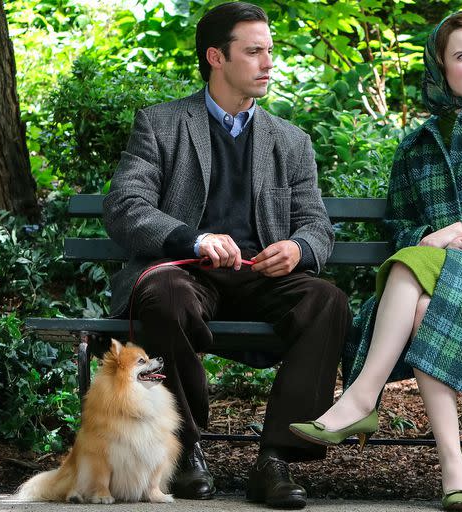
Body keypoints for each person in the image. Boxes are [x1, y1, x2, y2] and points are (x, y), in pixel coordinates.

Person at [289, 11, 462, 511]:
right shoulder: (415, 146)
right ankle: (453, 471)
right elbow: (397, 224)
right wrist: (429, 240)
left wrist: (457, 232)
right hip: (436, 276)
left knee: (408, 265)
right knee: (420, 304)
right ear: (439, 66)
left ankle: (360, 399)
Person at [103, 2, 350, 509]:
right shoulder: (161, 124)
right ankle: (185, 448)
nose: (267, 63)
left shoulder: (291, 141)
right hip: (188, 272)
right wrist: (193, 240)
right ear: (216, 56)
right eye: (253, 51)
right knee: (163, 295)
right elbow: (125, 207)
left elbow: (316, 225)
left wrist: (299, 249)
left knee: (327, 301)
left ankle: (275, 461)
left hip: (261, 276)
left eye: (270, 51)